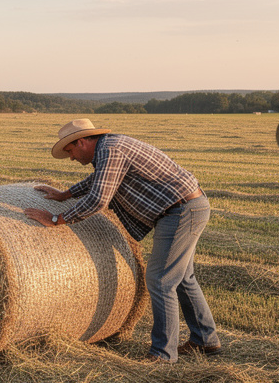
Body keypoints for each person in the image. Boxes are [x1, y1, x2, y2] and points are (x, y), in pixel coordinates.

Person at [23, 119, 221, 363]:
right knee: (182, 278)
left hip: (181, 210)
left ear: (82, 142)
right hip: (186, 206)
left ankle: (163, 354)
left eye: (70, 151)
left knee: (160, 280)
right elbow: (101, 179)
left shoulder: (111, 149)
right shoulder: (109, 148)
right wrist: (67, 194)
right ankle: (205, 339)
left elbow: (98, 199)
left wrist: (56, 219)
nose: (72, 158)